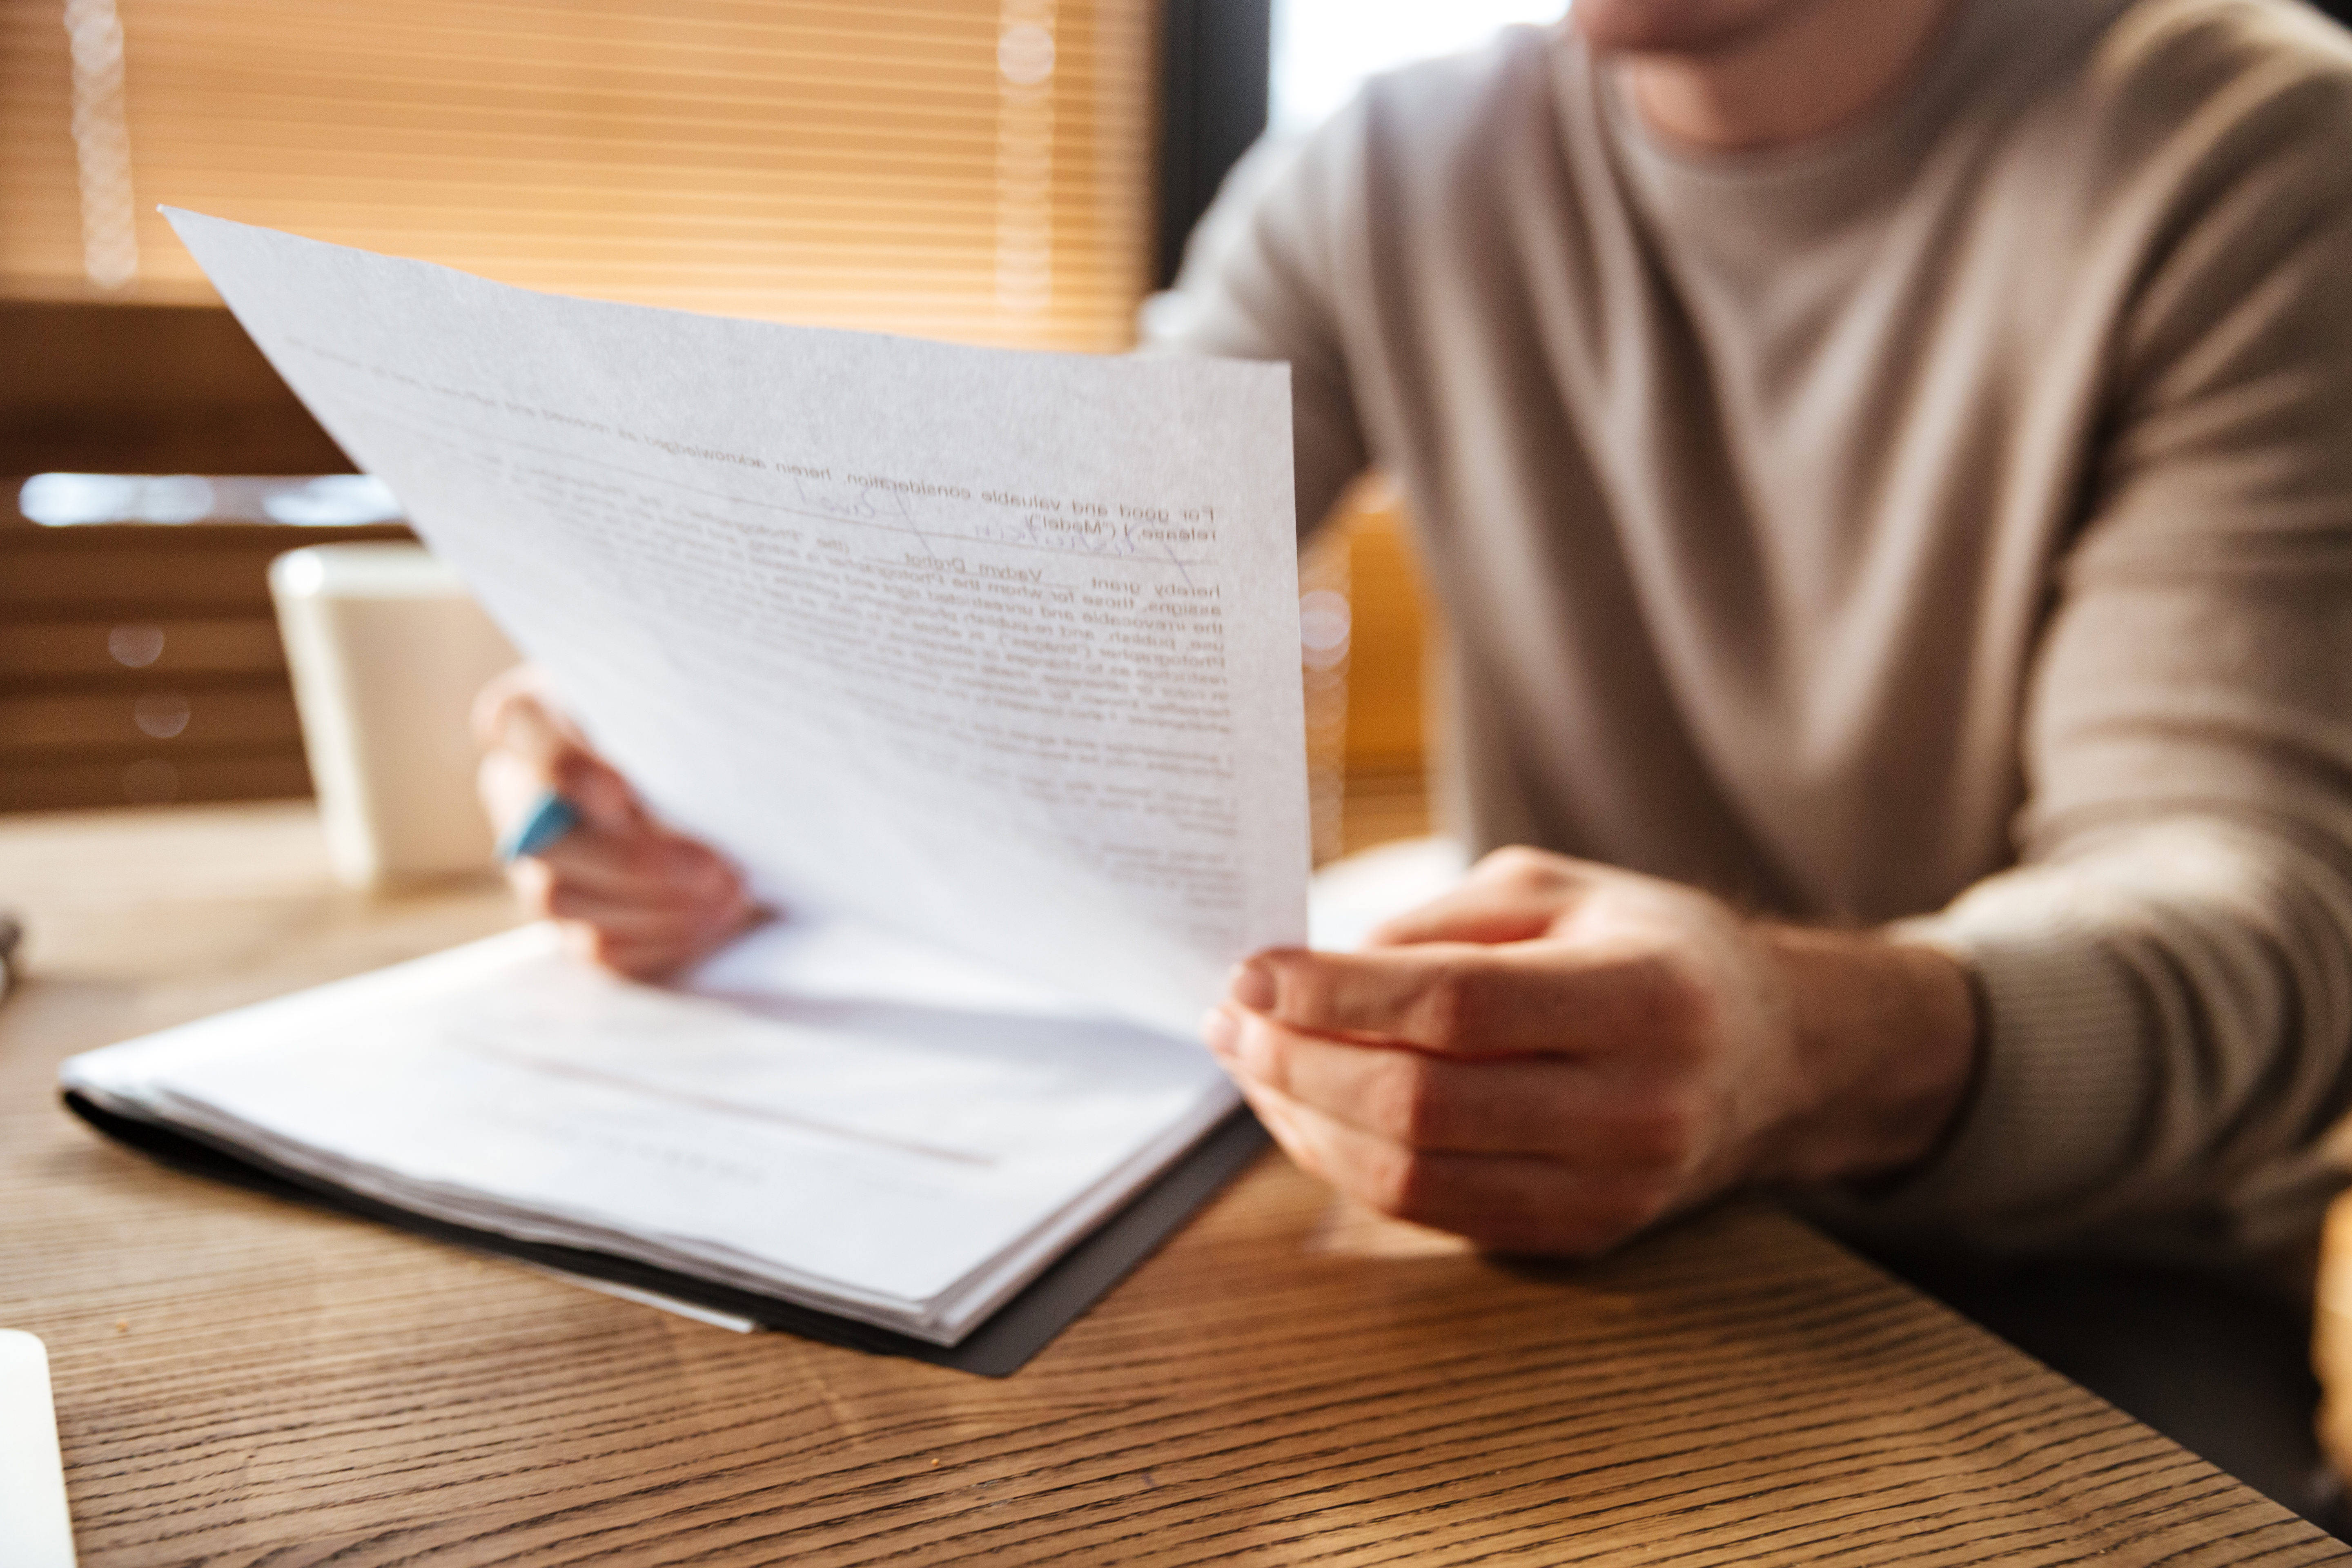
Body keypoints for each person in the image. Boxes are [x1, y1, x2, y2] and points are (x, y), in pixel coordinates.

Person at [478, 0, 2352, 1509]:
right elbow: (1037, 601)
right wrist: (682, 732)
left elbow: (2264, 916)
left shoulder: (2249, 147)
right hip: (1546, 1230)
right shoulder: (1385, 169)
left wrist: (1792, 1045)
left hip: (2085, 1264)